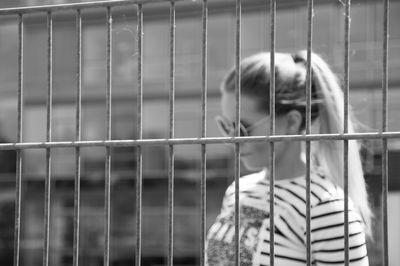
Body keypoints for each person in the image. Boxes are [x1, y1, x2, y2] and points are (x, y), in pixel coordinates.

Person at [206, 51, 371, 266]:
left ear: (292, 122)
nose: (232, 140)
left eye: (242, 128)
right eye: (226, 126)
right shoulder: (238, 190)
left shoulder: (327, 209)